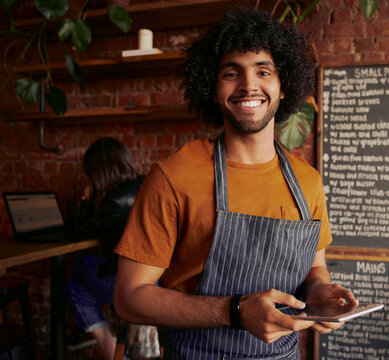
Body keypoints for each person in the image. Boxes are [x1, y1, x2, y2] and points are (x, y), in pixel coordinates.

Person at [113, 7, 357, 359]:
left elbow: (314, 266)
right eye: (231, 73)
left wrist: (319, 291)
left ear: (283, 86)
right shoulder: (174, 176)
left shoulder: (308, 181)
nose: (248, 85)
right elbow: (129, 297)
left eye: (263, 71)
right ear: (212, 90)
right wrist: (234, 311)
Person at [65, 137, 144, 360]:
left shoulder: (113, 202)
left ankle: (111, 352)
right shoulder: (144, 184)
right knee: (80, 281)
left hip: (132, 282)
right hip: (155, 275)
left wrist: (85, 197)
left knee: (75, 283)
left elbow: (78, 232)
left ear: (98, 172)